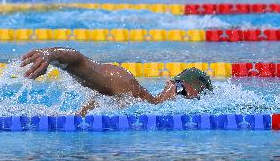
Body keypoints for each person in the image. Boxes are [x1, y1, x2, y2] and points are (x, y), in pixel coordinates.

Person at [20, 47, 213, 116]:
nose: (177, 100)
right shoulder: (128, 87)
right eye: (180, 91)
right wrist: (51, 55)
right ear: (169, 84)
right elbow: (81, 62)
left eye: (190, 101)